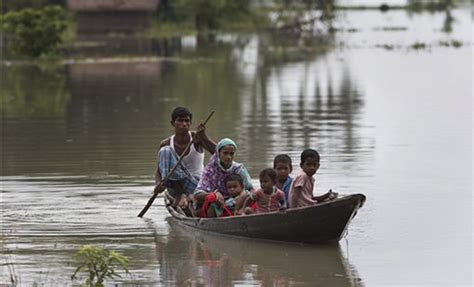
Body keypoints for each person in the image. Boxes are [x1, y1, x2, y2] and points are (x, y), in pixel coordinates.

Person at [155, 106, 216, 208]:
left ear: (190, 123)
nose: (184, 124)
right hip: (174, 186)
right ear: (172, 123)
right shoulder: (166, 143)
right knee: (165, 151)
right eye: (180, 121)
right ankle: (180, 194)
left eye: (187, 121)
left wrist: (204, 136)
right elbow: (159, 171)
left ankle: (183, 196)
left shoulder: (197, 139)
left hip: (196, 185)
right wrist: (158, 184)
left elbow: (219, 154)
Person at [194, 138, 254, 218]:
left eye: (231, 154)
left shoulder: (239, 169)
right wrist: (215, 194)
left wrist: (242, 197)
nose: (228, 157)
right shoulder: (210, 169)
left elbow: (251, 189)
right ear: (218, 153)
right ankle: (214, 223)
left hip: (237, 203)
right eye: (225, 153)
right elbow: (197, 193)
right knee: (212, 201)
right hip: (217, 204)